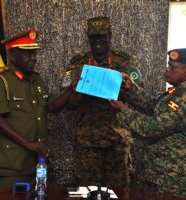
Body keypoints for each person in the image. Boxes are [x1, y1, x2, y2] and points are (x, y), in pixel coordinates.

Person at [109, 48, 186, 199]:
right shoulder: (179, 91)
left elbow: (152, 128)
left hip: (176, 178)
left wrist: (123, 110)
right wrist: (131, 89)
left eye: (172, 67)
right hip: (164, 173)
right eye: (168, 64)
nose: (167, 69)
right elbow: (155, 105)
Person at [0, 29, 75, 188]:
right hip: (10, 165)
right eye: (27, 54)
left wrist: (72, 88)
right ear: (12, 55)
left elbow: (51, 106)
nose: (33, 59)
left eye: (34, 53)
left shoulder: (35, 79)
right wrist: (28, 144)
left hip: (36, 164)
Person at [62, 16, 143, 188]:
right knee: (88, 191)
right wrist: (80, 90)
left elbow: (139, 97)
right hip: (88, 142)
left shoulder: (124, 62)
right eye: (94, 38)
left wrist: (127, 87)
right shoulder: (77, 64)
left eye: (102, 37)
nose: (98, 42)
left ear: (110, 36)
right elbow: (66, 103)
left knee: (119, 192)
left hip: (117, 141)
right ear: (88, 38)